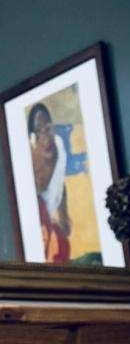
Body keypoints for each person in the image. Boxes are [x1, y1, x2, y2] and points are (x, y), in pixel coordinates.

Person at [28, 102, 71, 263]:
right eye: (38, 132)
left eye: (47, 128)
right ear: (33, 138)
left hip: (51, 219)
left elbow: (60, 182)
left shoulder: (59, 145)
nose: (45, 136)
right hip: (41, 219)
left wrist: (64, 215)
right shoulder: (31, 160)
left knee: (64, 247)